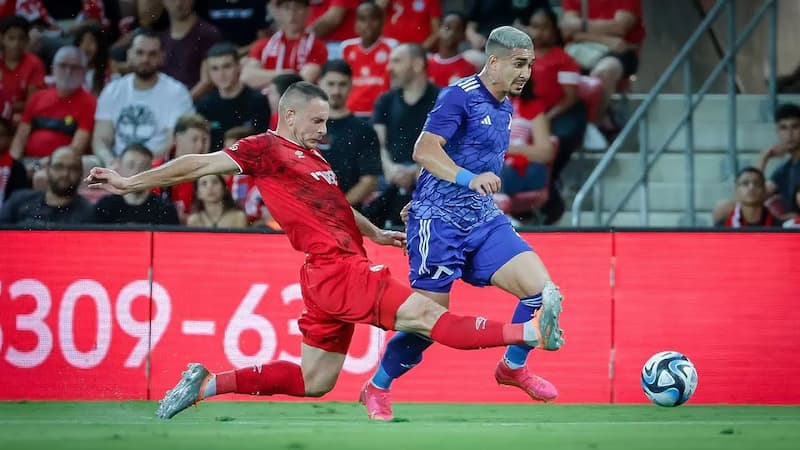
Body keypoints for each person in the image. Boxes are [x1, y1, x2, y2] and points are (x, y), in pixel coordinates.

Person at [84, 81, 563, 420]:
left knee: (316, 381)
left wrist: (374, 232)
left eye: (326, 121)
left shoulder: (313, 159)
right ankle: (528, 332)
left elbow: (335, 209)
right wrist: (130, 180)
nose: (322, 129)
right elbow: (197, 164)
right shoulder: (265, 148)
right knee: (429, 319)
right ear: (289, 115)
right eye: (316, 120)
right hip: (339, 273)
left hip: (327, 276)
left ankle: (207, 384)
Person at [360, 26, 564, 421]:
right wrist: (460, 184)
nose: (526, 72)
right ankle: (378, 386)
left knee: (543, 292)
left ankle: (512, 367)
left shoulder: (505, 106)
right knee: (428, 324)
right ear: (494, 62)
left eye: (530, 65)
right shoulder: (460, 96)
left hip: (482, 218)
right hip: (439, 225)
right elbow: (424, 149)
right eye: (519, 64)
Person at [93, 30, 195, 166]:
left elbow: (174, 143)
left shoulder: (177, 93)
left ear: (162, 57)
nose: (145, 59)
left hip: (158, 166)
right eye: (139, 52)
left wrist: (141, 165)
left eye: (152, 54)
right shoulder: (112, 90)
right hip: (117, 165)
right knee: (87, 163)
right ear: (129, 54)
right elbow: (100, 139)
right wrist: (110, 161)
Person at [9, 46, 97, 160]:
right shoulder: (38, 97)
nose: (68, 71)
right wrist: (11, 166)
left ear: (84, 72)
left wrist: (45, 167)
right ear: (53, 68)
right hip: (28, 163)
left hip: (61, 167)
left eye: (75, 67)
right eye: (63, 65)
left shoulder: (90, 102)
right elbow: (20, 138)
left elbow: (76, 148)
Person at [317, 60, 382, 207]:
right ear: (320, 83)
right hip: (307, 213)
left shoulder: (364, 130)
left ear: (351, 85)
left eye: (342, 84)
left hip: (349, 215)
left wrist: (337, 209)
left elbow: (369, 181)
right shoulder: (306, 125)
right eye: (331, 84)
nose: (336, 91)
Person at [195, 42, 270, 151]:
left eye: (226, 66)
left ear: (238, 66)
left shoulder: (258, 101)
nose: (221, 74)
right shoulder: (204, 106)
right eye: (215, 68)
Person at [1, 146, 94, 225]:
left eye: (73, 168)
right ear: (47, 169)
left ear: (81, 173)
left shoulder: (88, 213)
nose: (65, 174)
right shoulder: (19, 200)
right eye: (58, 167)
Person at [94, 143, 179, 225]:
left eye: (143, 166)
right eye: (131, 165)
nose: (137, 172)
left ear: (151, 170)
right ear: (120, 167)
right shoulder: (104, 208)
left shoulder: (164, 209)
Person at [715, 167, 780, 228]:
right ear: (736, 191)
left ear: (764, 190)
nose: (751, 187)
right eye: (745, 183)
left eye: (757, 183)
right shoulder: (722, 228)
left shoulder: (779, 227)